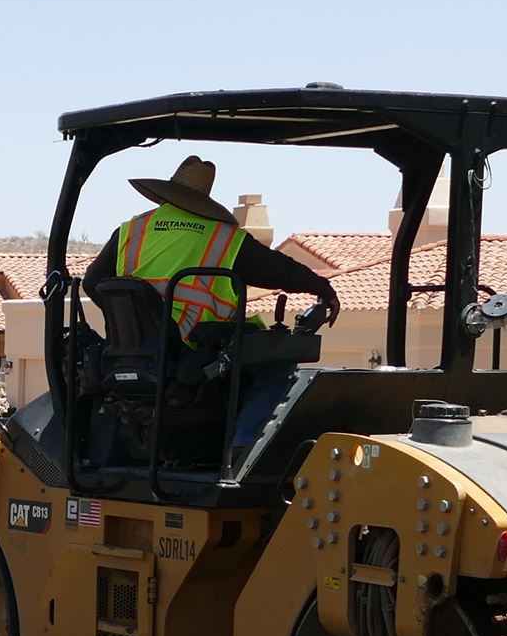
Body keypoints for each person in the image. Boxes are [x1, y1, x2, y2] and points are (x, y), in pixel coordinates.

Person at [85, 156, 338, 447]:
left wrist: (131, 327)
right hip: (192, 353)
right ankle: (243, 448)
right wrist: (323, 288)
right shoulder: (222, 238)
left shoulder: (130, 232)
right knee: (278, 361)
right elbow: (279, 271)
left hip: (132, 355)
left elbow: (94, 283)